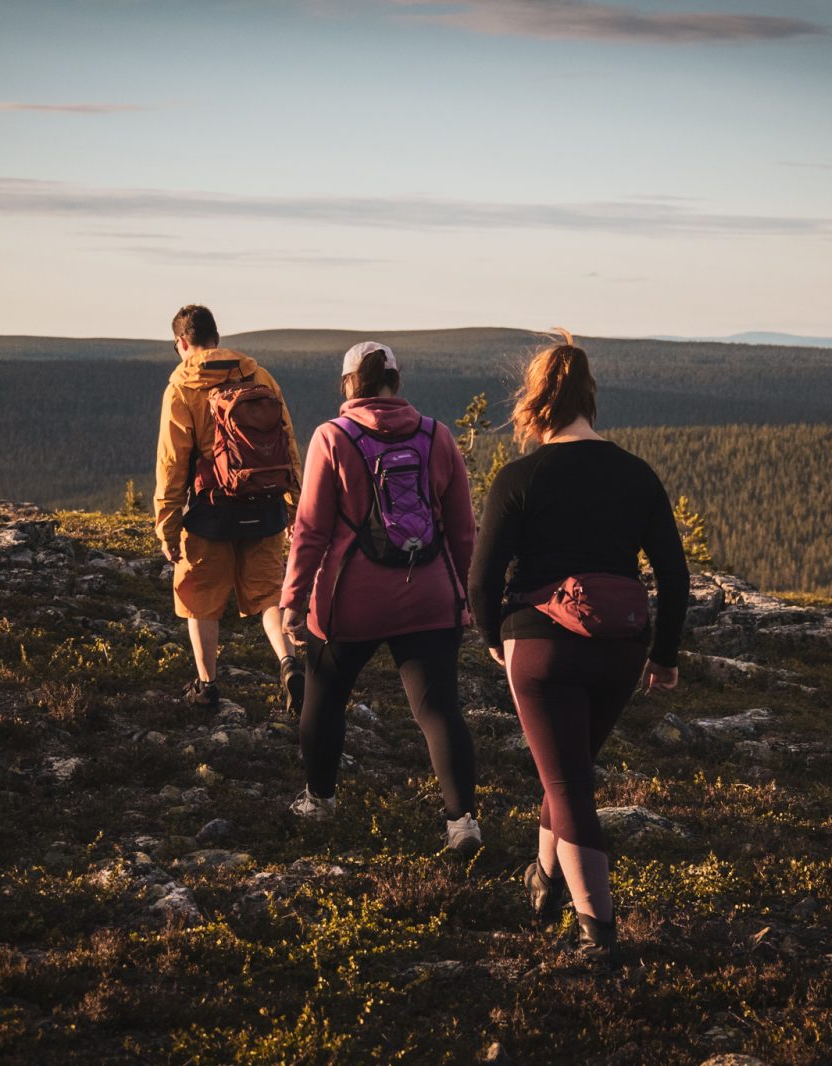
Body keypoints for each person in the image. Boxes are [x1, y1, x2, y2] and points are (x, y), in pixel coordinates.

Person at [469, 331, 689, 962]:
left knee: (568, 785)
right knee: (567, 768)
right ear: (589, 398)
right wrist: (664, 655)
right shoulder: (637, 474)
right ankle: (544, 878)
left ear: (535, 402)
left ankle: (599, 931)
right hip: (621, 648)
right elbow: (674, 576)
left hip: (541, 648)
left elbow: (482, 580)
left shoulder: (519, 477)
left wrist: (493, 637)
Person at [280, 341, 482, 853]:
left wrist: (294, 599)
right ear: (397, 380)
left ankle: (320, 801)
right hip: (430, 596)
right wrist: (468, 596)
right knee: (439, 710)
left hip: (351, 600)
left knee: (325, 698)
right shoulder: (437, 436)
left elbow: (310, 530)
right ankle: (462, 823)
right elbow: (463, 531)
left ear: (349, 385)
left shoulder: (332, 437)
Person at [154, 304, 305, 713]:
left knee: (199, 598)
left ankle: (206, 686)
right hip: (265, 503)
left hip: (212, 512)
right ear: (216, 338)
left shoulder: (181, 387)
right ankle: (289, 664)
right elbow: (287, 443)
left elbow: (172, 464)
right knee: (270, 595)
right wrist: (294, 505)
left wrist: (168, 528)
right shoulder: (259, 376)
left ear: (181, 342)